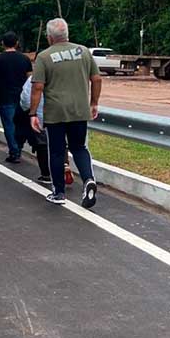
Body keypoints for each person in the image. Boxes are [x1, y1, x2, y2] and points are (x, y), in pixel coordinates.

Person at [29, 18, 102, 207]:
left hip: (56, 112)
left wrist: (33, 113)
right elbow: (96, 79)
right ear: (67, 34)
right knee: (79, 148)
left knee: (57, 152)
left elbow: (37, 87)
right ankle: (88, 179)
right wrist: (94, 103)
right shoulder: (83, 51)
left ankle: (59, 193)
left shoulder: (44, 57)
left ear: (49, 37)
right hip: (79, 110)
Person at [0, 32, 32, 163]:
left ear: (2, 44)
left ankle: (14, 151)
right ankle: (19, 147)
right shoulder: (25, 59)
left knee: (9, 126)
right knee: (21, 125)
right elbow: (30, 79)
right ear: (17, 43)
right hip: (22, 98)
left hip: (5, 97)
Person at [18, 77, 51, 183]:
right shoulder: (61, 75)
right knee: (60, 143)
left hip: (39, 117)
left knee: (42, 145)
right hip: (59, 116)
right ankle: (64, 165)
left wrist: (30, 111)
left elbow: (25, 98)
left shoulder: (35, 77)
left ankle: (46, 174)